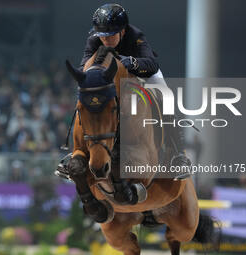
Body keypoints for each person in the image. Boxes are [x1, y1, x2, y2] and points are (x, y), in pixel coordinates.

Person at [62, 3, 192, 223]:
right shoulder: (94, 39)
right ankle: (72, 150)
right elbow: (85, 65)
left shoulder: (135, 36)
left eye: (111, 35)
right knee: (85, 96)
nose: (106, 40)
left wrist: (130, 62)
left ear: (122, 31)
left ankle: (177, 153)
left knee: (165, 95)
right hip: (110, 81)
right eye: (103, 36)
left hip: (141, 74)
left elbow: (151, 63)